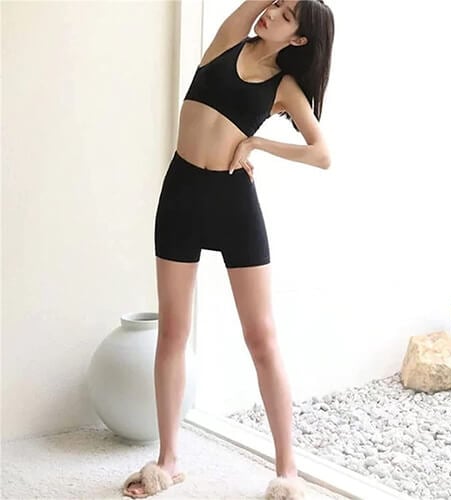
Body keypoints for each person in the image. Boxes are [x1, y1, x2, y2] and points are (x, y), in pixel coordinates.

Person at [123, 0, 334, 498]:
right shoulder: (227, 41)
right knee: (173, 331)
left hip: (233, 201)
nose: (272, 14)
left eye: (286, 16)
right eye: (276, 4)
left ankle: (288, 471)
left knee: (261, 337)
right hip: (181, 193)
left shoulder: (284, 87)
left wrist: (257, 144)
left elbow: (322, 153)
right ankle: (168, 460)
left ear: (299, 39)